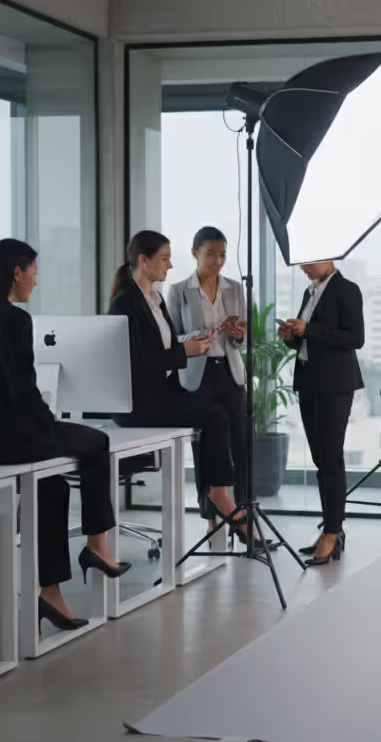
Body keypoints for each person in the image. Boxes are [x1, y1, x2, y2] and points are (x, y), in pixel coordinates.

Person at [0, 238, 131, 632]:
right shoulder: (14, 320)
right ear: (16, 272)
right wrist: (49, 421)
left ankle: (51, 594)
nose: (35, 282)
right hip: (7, 441)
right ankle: (97, 546)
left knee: (53, 488)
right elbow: (22, 393)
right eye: (34, 272)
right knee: (97, 442)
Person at [109, 230, 262, 546]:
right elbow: (140, 361)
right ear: (143, 260)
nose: (169, 265)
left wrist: (193, 345)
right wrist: (187, 351)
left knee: (221, 417)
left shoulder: (154, 298)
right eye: (164, 259)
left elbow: (164, 345)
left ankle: (220, 495)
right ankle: (219, 498)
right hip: (143, 399)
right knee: (213, 415)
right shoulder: (126, 303)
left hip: (167, 389)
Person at [278, 260, 364, 566]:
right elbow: (309, 341)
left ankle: (332, 533)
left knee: (331, 458)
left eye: (308, 262)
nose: (303, 267)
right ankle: (330, 530)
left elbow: (355, 338)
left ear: (327, 258)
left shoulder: (347, 290)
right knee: (320, 460)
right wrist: (293, 337)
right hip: (309, 381)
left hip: (335, 385)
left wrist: (310, 329)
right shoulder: (309, 292)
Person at [166, 227, 249, 533]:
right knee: (205, 445)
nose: (218, 261)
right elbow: (172, 338)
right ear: (195, 253)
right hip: (197, 374)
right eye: (211, 254)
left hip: (229, 371)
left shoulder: (234, 288)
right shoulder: (178, 291)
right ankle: (210, 515)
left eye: (223, 254)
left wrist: (238, 335)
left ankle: (240, 512)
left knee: (240, 441)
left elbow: (241, 338)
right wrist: (207, 332)